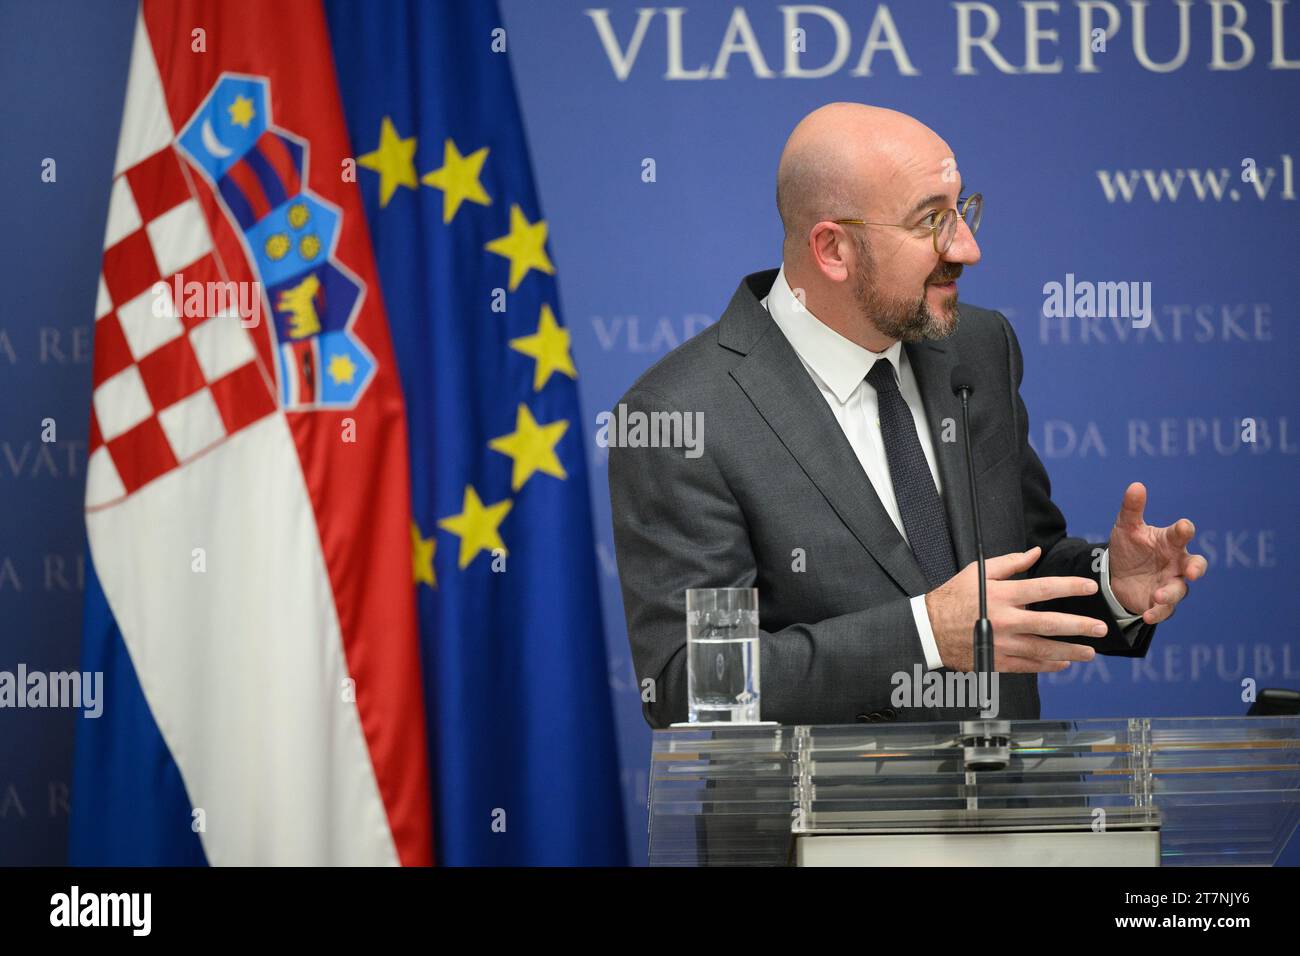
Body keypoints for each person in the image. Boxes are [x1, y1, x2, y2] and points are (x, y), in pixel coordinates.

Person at [607, 103, 1206, 728]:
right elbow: (695, 683)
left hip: (1012, 813)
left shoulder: (978, 346)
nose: (968, 248)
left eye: (962, 210)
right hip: (820, 822)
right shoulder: (682, 417)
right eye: (931, 222)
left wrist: (1112, 585)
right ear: (833, 249)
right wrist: (923, 636)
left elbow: (1019, 565)